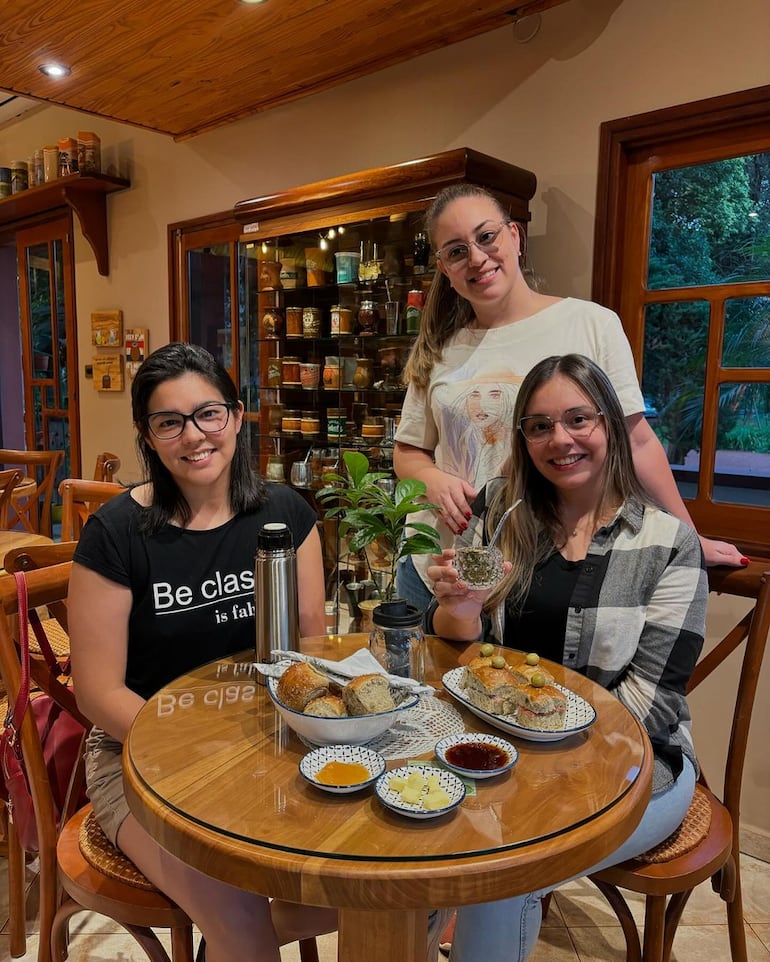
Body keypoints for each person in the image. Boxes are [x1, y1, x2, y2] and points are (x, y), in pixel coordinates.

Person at [426, 354, 707, 962]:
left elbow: (651, 706)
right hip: (501, 751)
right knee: (416, 829)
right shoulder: (500, 510)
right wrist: (462, 606)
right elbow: (454, 650)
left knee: (503, 875)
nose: (561, 440)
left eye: (579, 419)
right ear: (523, 438)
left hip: (633, 772)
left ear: (609, 423)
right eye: (539, 426)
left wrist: (532, 767)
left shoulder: (666, 542)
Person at [68, 343, 335, 962]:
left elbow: (311, 647)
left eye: (209, 414)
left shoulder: (285, 515)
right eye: (170, 422)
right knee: (240, 919)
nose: (194, 436)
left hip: (271, 746)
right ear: (148, 435)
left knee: (397, 879)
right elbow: (97, 693)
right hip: (138, 759)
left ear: (237, 418)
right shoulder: (114, 534)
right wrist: (193, 748)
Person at [394, 183, 745, 612]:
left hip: (537, 568)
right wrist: (432, 480)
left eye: (486, 237)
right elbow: (408, 451)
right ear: (444, 269)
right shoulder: (437, 347)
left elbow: (635, 441)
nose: (477, 258)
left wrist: (690, 539)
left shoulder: (590, 324)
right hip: (438, 567)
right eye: (456, 251)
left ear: (515, 237)